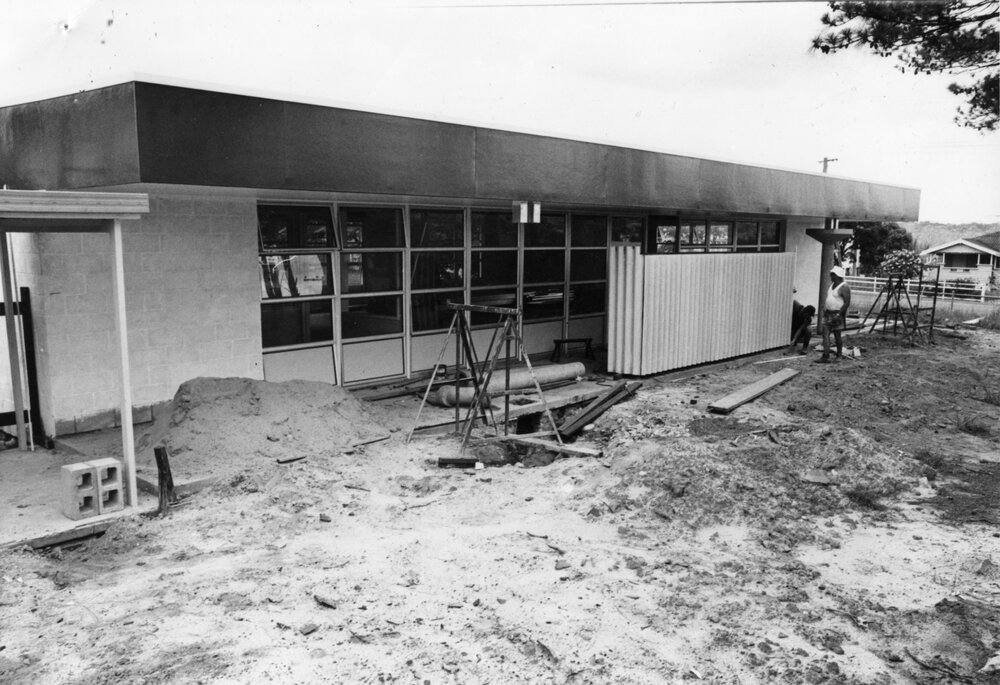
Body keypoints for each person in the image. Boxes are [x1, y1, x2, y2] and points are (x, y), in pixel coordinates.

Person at [816, 265, 851, 363]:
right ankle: (825, 356)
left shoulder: (844, 287)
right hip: (828, 313)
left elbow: (846, 303)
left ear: (838, 276)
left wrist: (839, 314)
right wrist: (824, 308)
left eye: (833, 275)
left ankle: (839, 355)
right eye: (831, 275)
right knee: (825, 335)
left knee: (837, 335)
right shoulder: (832, 285)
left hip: (837, 314)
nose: (831, 276)